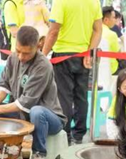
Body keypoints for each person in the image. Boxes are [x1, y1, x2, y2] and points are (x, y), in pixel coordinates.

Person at [0, 26, 65, 159]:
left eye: (26, 53)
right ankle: (8, 151)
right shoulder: (13, 58)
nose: (21, 57)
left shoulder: (43, 65)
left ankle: (39, 155)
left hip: (50, 118)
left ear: (38, 46)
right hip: (24, 113)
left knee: (37, 112)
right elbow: (4, 84)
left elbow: (26, 102)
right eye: (18, 51)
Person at [42, 0, 102, 145]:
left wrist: (42, 55)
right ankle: (79, 135)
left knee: (64, 97)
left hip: (62, 55)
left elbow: (53, 31)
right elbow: (98, 30)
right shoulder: (94, 2)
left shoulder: (61, 2)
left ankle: (65, 134)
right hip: (83, 55)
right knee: (81, 96)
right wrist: (89, 52)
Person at [101, 6, 121, 74]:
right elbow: (118, 55)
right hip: (112, 69)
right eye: (113, 17)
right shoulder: (112, 34)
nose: (115, 20)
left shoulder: (92, 32)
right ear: (106, 20)